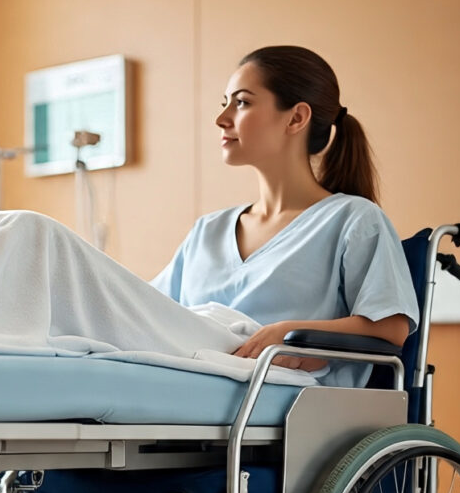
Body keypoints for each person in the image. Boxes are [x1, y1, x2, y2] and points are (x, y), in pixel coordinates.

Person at [151, 45, 418, 384]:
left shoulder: (353, 220)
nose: (222, 118)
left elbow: (390, 327)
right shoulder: (209, 230)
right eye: (225, 103)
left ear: (296, 118)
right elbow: (148, 312)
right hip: (191, 381)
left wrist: (290, 334)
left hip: (281, 397)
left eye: (242, 102)